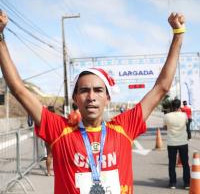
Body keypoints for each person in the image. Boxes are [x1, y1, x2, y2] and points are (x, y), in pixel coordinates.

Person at [0, 10, 186, 194]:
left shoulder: (124, 127)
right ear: (75, 98)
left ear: (108, 97)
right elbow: (19, 90)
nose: (91, 96)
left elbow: (161, 88)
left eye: (98, 90)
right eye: (84, 91)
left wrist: (178, 35)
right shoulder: (59, 130)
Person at [164, 98, 190, 190]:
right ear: (179, 106)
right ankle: (187, 183)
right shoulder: (184, 115)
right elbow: (187, 124)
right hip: (183, 142)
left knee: (171, 163)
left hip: (171, 142)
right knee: (185, 163)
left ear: (171, 106)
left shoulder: (167, 116)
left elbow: (165, 126)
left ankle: (172, 183)